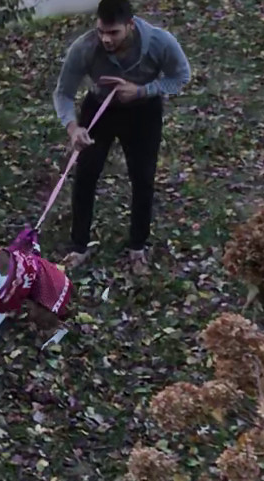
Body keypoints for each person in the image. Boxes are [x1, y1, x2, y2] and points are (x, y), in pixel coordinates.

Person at [52, 0, 191, 275]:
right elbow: (63, 92)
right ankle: (79, 246)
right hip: (99, 110)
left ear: (131, 25)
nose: (106, 39)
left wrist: (141, 91)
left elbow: (181, 77)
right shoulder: (85, 47)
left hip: (143, 113)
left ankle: (138, 247)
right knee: (85, 176)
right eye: (101, 31)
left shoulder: (160, 42)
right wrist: (73, 128)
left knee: (143, 179)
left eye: (113, 32)